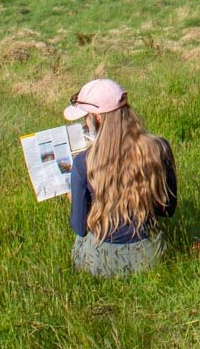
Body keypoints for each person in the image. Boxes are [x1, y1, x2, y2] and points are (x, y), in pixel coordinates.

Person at [64, 79, 177, 277]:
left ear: (97, 118)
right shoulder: (159, 148)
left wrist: (75, 198)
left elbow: (79, 228)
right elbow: (167, 210)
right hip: (151, 256)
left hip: (100, 262)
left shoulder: (83, 162)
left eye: (86, 117)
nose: (84, 123)